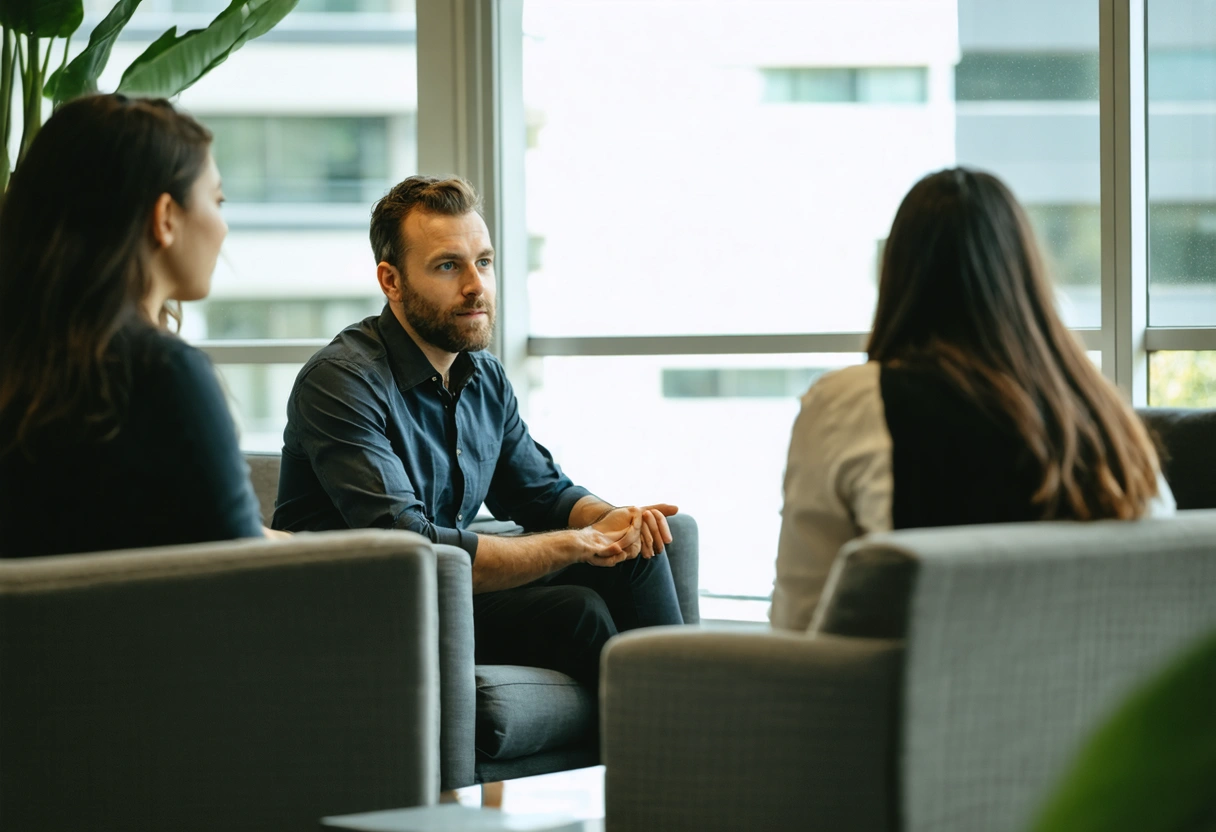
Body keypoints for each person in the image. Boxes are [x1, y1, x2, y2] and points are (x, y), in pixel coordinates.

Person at [273, 175, 684, 689]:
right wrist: (578, 543)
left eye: (483, 262)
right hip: (367, 610)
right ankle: (661, 727)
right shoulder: (341, 381)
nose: (476, 286)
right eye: (448, 266)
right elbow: (410, 548)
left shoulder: (483, 375)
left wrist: (609, 520)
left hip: (447, 594)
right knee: (574, 612)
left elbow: (542, 492)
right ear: (391, 281)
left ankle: (686, 724)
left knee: (638, 551)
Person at [771, 167, 1175, 631]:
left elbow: (798, 624)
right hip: (1097, 678)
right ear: (1025, 276)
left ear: (898, 278)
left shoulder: (847, 404)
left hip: (921, 678)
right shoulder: (1101, 414)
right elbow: (1161, 590)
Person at [0, 94, 273, 557]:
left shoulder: (25, 365)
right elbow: (244, 572)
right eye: (217, 200)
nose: (223, 227)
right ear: (165, 218)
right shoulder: (163, 374)